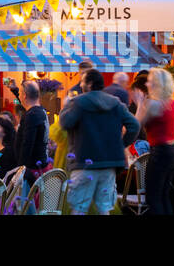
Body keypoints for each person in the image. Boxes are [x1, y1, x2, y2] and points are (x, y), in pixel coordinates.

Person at [59, 69, 140, 215]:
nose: (80, 85)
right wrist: (121, 144)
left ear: (89, 84)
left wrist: (66, 106)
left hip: (84, 163)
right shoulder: (116, 103)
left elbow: (65, 123)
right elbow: (134, 125)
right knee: (104, 208)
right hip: (109, 164)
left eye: (82, 81)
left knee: (79, 208)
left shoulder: (79, 102)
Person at [136, 67, 174, 215]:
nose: (146, 84)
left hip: (160, 153)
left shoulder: (154, 104)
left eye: (149, 82)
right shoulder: (171, 103)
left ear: (156, 84)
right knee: (164, 196)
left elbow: (136, 125)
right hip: (173, 152)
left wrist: (140, 103)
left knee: (153, 198)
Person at [16, 81, 50, 183]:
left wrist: (21, 169)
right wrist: (14, 89)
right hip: (39, 166)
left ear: (25, 95)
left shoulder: (32, 115)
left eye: (19, 94)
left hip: (32, 170)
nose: (19, 96)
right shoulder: (40, 111)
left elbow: (28, 143)